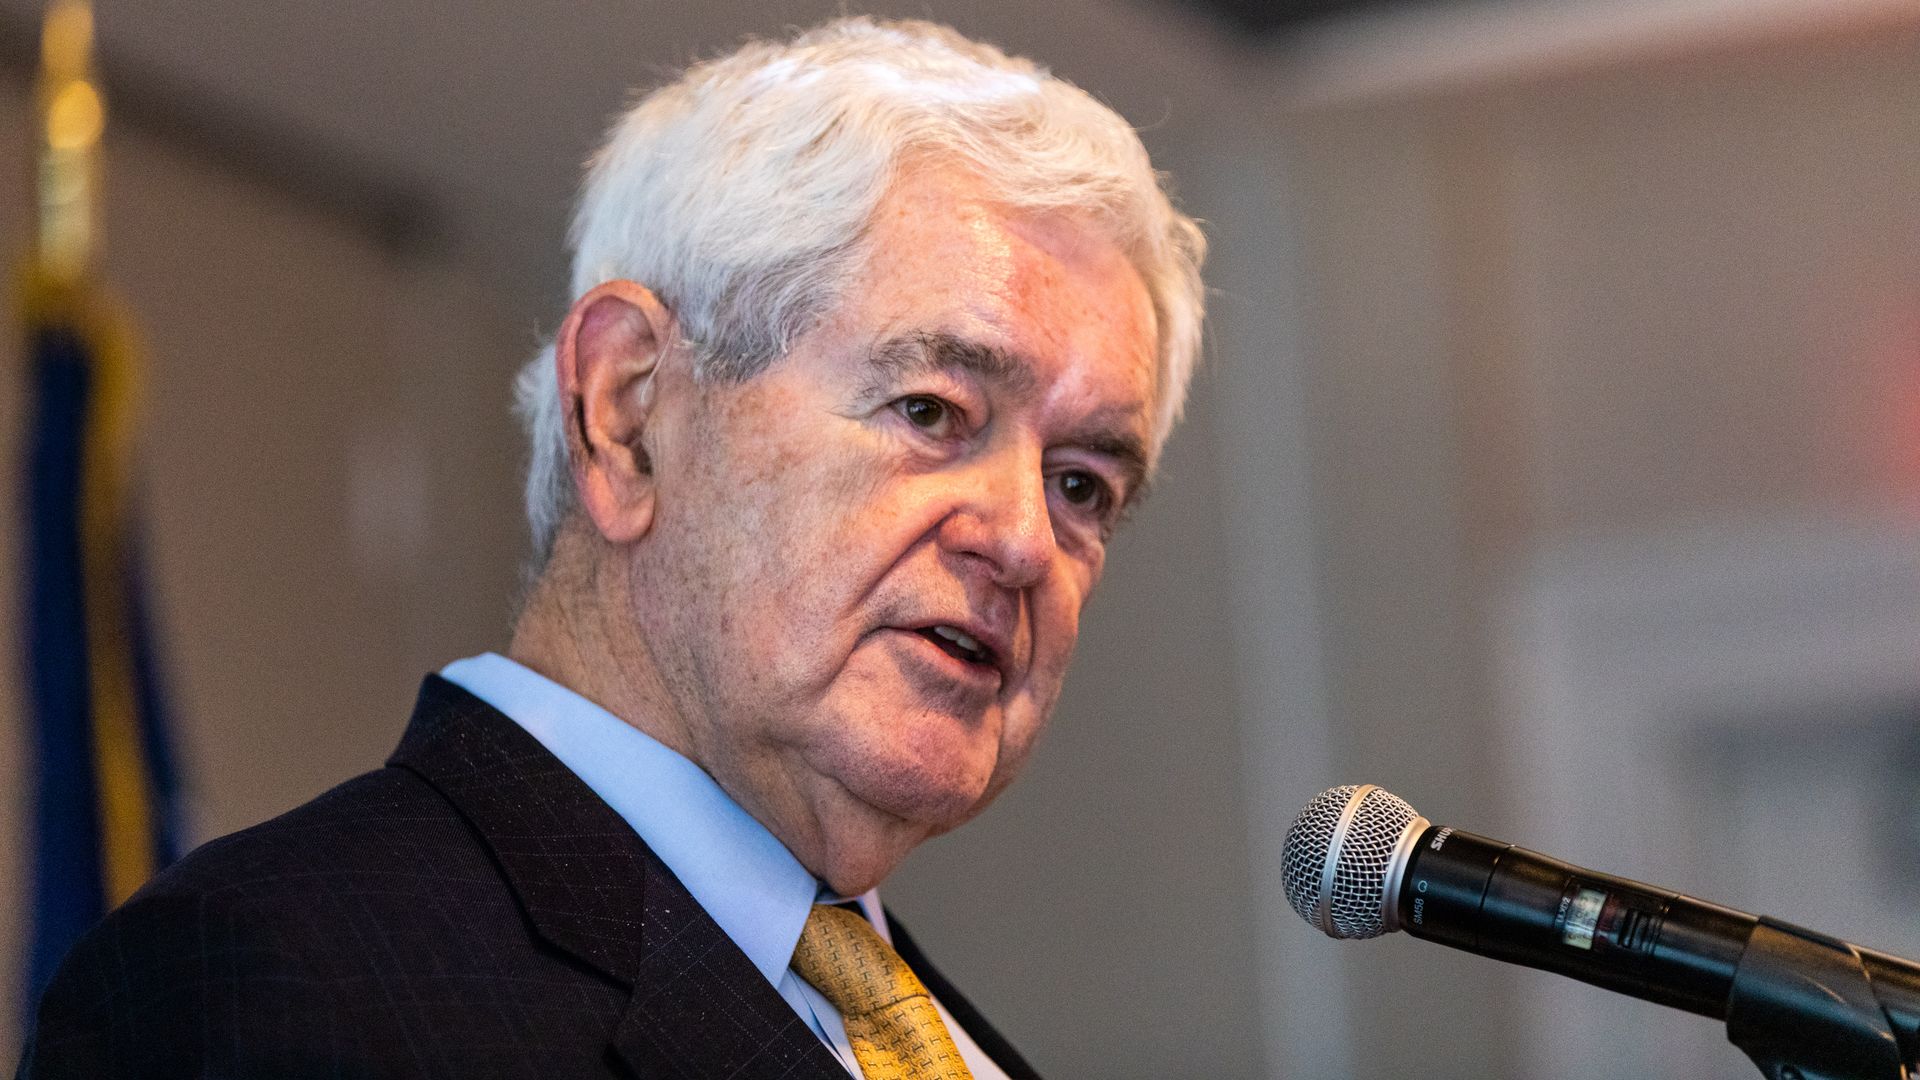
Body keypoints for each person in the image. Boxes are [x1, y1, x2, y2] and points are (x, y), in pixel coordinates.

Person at [19, 16, 1205, 1080]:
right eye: (932, 411)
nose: (1021, 541)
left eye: (1082, 485)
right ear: (628, 412)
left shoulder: (935, 1041)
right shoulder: (267, 988)